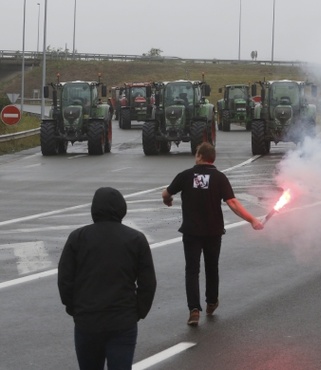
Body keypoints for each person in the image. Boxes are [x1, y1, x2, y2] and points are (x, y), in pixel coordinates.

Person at [162, 142, 263, 326]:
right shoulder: (219, 178)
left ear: (199, 156)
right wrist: (252, 220)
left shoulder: (185, 176)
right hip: (213, 231)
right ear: (212, 159)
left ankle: (193, 310)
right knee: (211, 267)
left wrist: (168, 200)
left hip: (191, 232)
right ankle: (211, 301)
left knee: (192, 270)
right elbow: (232, 202)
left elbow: (166, 194)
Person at [58, 187, 157, 370]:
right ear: (122, 208)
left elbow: (65, 279)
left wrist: (74, 308)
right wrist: (138, 311)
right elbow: (148, 282)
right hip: (123, 319)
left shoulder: (78, 238)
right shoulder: (135, 239)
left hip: (87, 320)